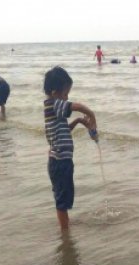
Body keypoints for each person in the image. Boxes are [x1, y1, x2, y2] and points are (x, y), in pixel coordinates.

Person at [43, 66, 97, 230]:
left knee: (64, 197)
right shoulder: (54, 104)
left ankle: (65, 225)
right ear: (54, 92)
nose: (67, 98)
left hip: (59, 161)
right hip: (60, 162)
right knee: (62, 199)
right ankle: (65, 232)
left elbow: (63, 131)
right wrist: (91, 113)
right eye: (65, 93)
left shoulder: (53, 109)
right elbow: (76, 106)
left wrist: (79, 122)